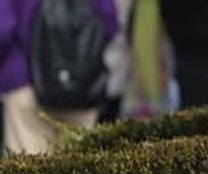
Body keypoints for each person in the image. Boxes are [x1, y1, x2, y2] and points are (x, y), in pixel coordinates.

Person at [0, 0, 120, 154]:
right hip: (82, 82)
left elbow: (4, 26)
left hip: (24, 79)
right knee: (77, 168)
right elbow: (110, 22)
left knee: (28, 169)